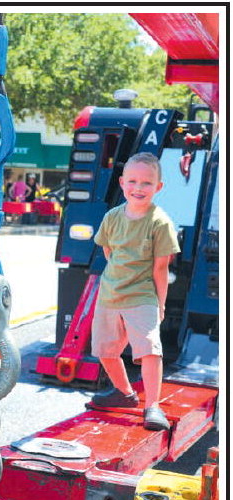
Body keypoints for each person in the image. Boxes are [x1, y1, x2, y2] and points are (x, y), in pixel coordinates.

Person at [90, 152, 180, 431]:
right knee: (105, 351)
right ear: (121, 182)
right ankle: (125, 393)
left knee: (150, 350)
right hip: (110, 295)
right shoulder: (112, 218)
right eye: (132, 181)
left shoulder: (160, 222)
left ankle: (152, 405)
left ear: (158, 187)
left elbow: (160, 269)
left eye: (146, 183)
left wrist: (160, 304)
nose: (138, 188)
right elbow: (109, 252)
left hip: (142, 296)